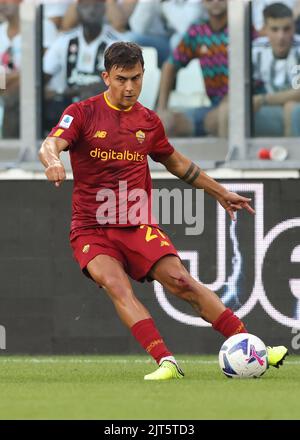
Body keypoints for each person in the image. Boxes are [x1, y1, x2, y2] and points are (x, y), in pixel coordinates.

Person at [39, 42, 288, 380]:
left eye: (137, 79)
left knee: (182, 281)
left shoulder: (148, 121)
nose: (129, 88)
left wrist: (220, 192)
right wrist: (53, 160)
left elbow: (177, 163)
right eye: (122, 79)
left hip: (136, 224)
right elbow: (50, 143)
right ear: (106, 77)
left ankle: (251, 345)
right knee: (116, 285)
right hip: (91, 227)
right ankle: (166, 361)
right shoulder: (83, 113)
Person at [157, 0, 229, 138]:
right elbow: (170, 66)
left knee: (220, 118)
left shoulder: (243, 28)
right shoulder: (197, 31)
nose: (215, 2)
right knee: (167, 124)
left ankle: (229, 159)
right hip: (213, 107)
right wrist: (162, 109)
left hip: (243, 106)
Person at [252, 2, 300, 136]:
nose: (281, 36)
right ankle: (232, 156)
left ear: (294, 28)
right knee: (228, 112)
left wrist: (262, 99)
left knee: (293, 110)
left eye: (286, 29)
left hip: (293, 110)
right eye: (274, 29)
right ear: (265, 29)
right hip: (268, 111)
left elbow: (299, 93)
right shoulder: (255, 50)